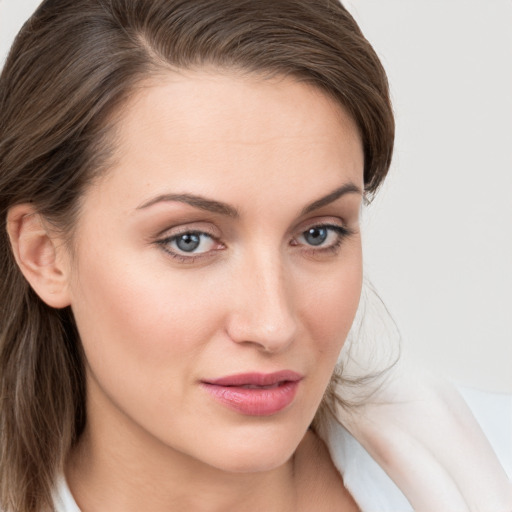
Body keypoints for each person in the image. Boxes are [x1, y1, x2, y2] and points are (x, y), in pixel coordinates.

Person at [0, 1, 510, 511]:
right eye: (189, 240)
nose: (273, 326)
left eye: (317, 234)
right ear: (45, 255)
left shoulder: (490, 458)